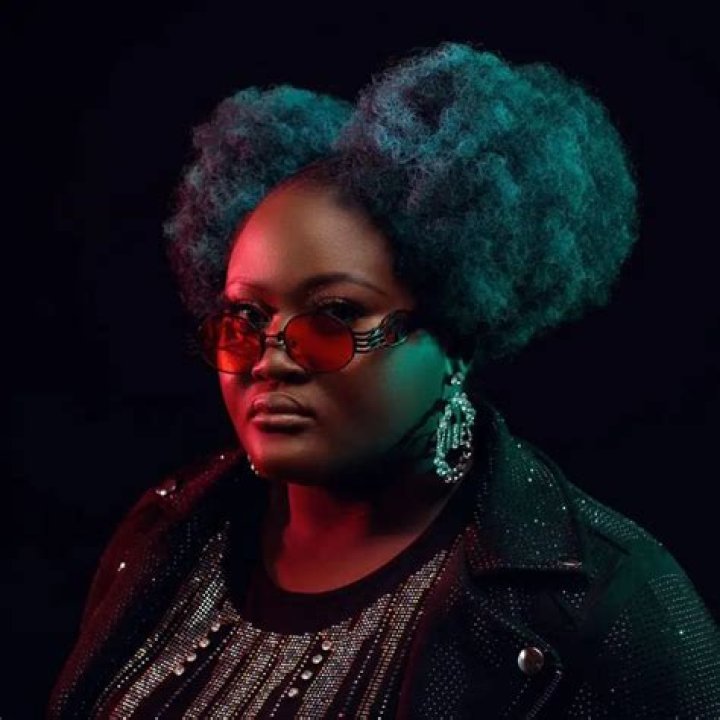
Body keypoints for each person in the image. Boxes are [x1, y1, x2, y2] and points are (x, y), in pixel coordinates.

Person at [49, 42, 719, 718]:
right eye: (245, 317)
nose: (268, 360)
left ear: (457, 332)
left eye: (335, 316)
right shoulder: (167, 535)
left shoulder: (610, 608)